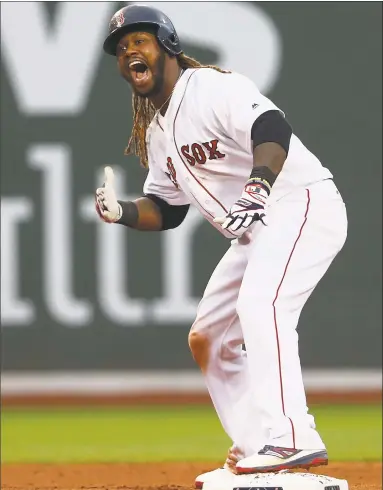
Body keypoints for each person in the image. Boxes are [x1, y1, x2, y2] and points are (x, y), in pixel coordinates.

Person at [96, 4, 348, 488]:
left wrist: (258, 184)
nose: (130, 51)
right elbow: (166, 210)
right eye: (122, 47)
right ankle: (257, 448)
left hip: (300, 202)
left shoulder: (210, 87)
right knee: (208, 337)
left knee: (262, 305)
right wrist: (122, 211)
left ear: (168, 45)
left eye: (139, 40)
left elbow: (272, 127)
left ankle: (293, 436)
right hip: (257, 231)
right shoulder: (159, 129)